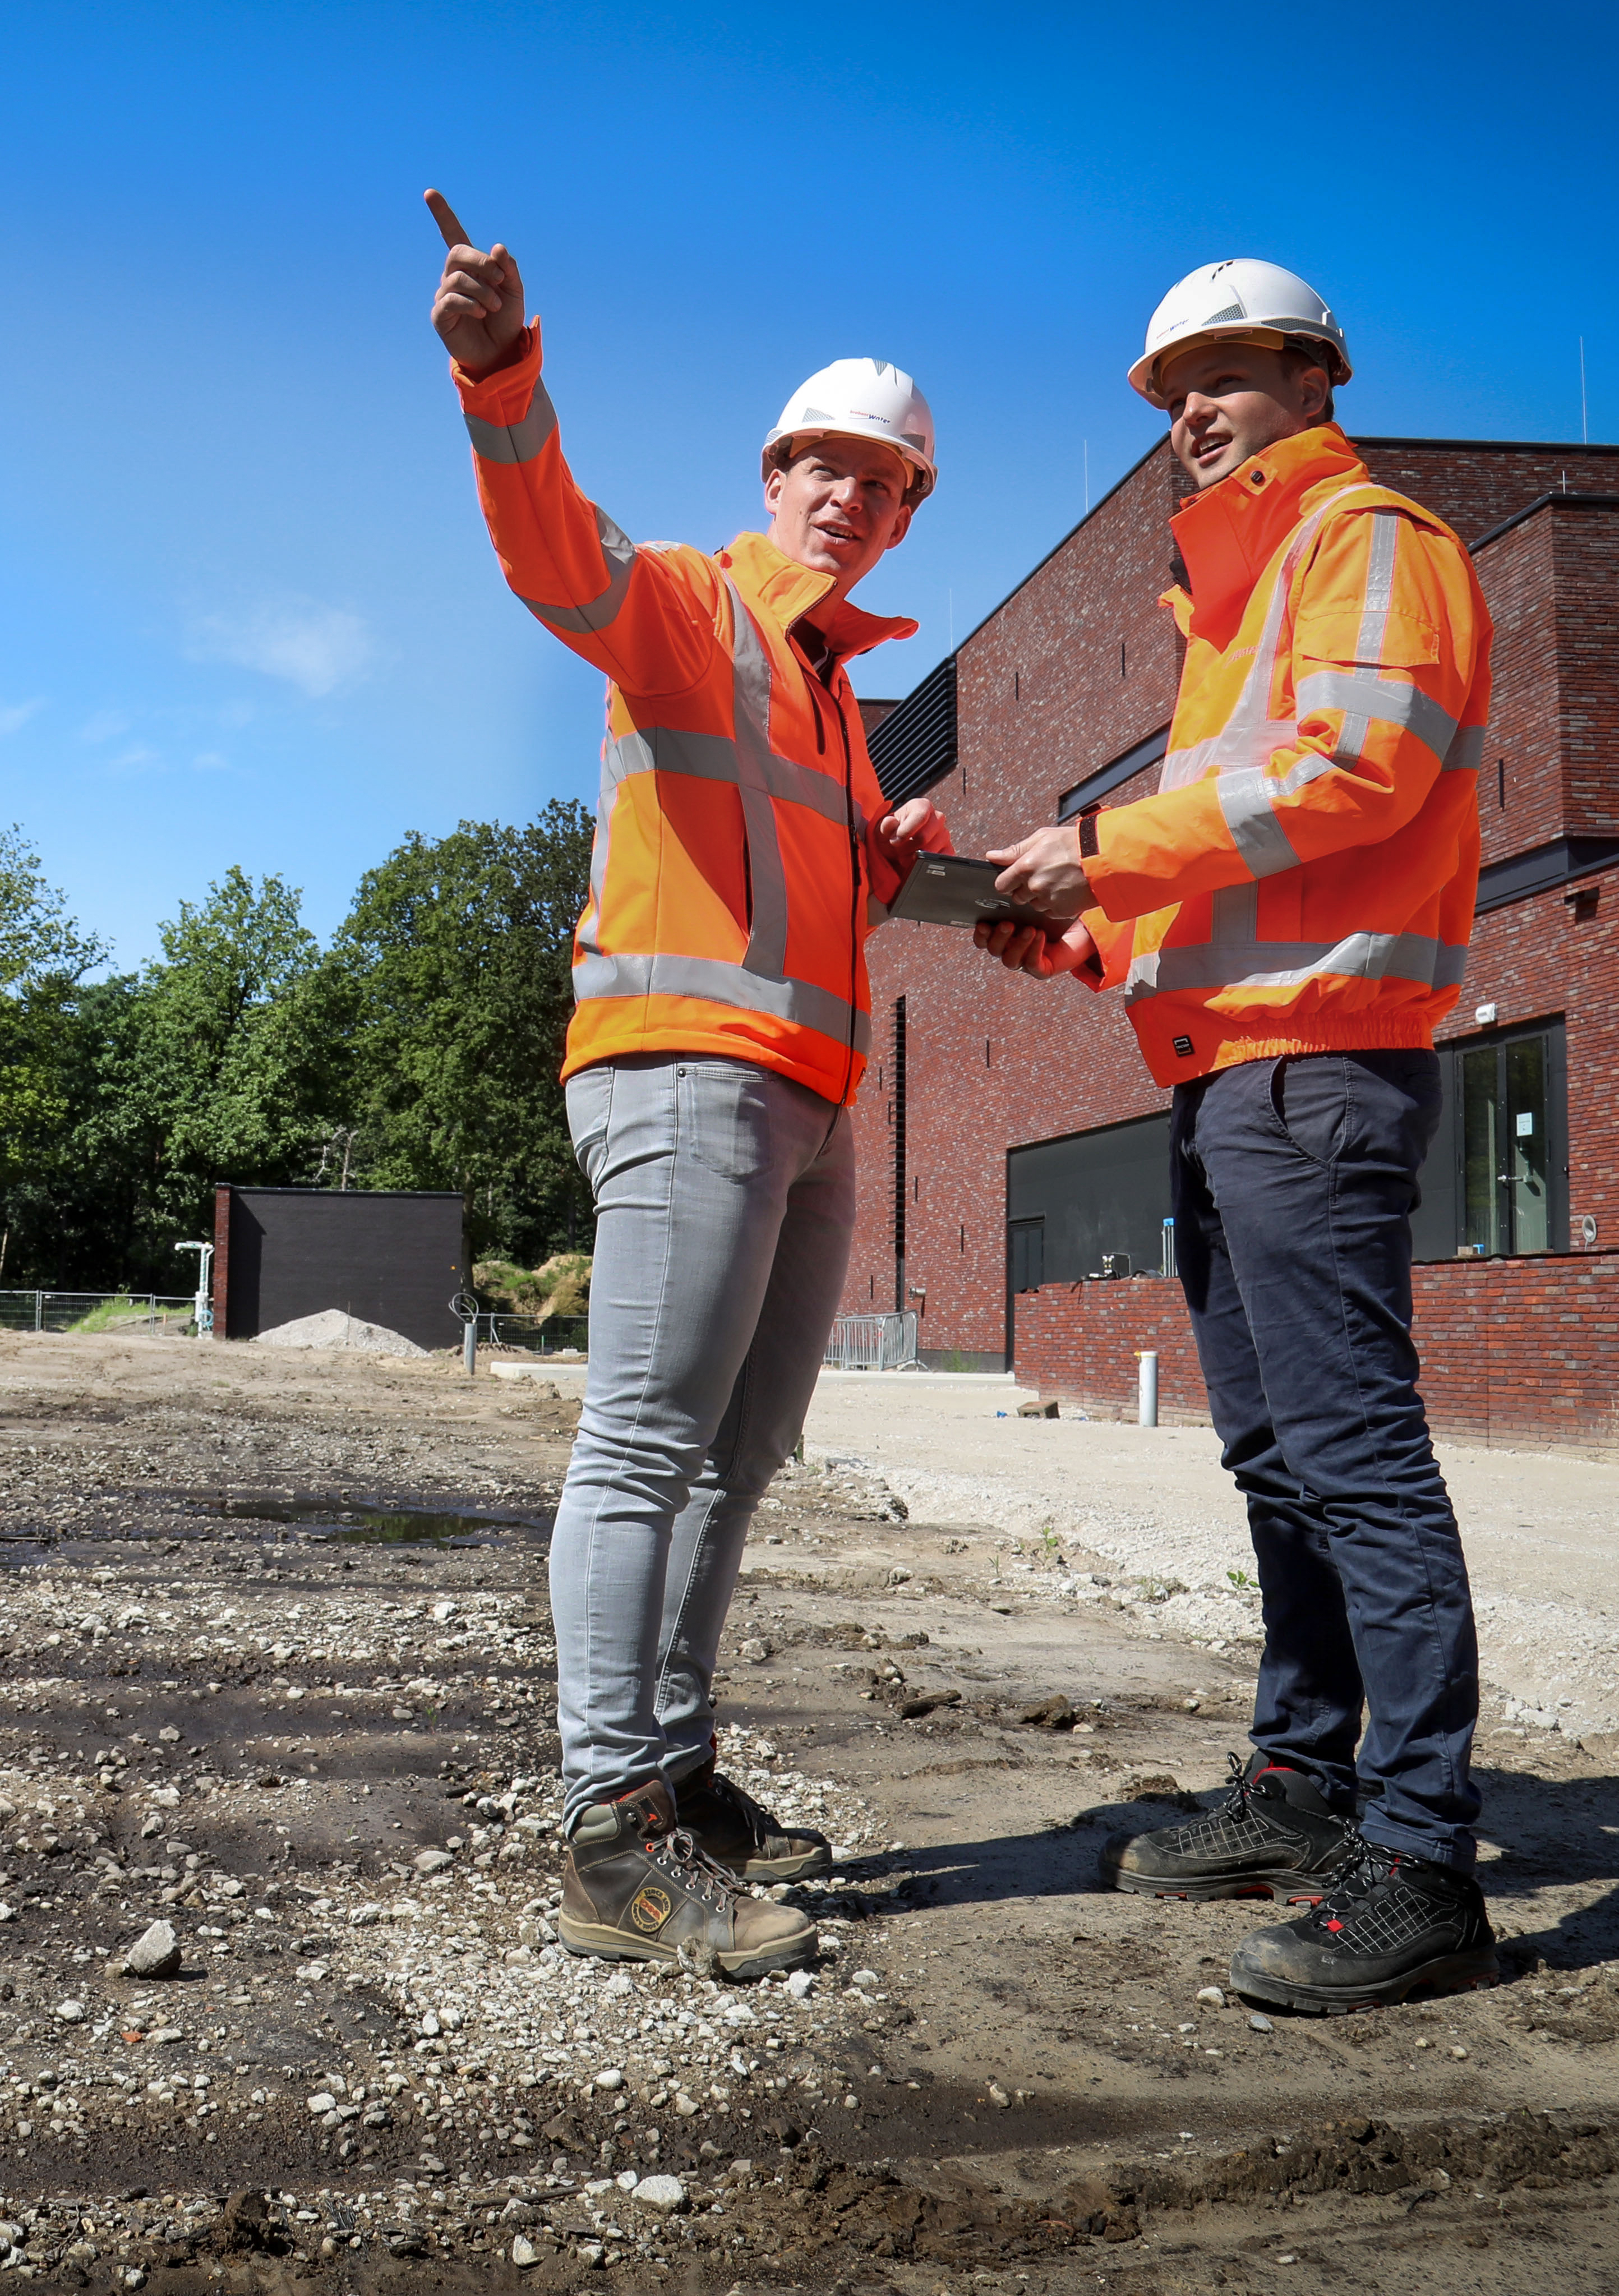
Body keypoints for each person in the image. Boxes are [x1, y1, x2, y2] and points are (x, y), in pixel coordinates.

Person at [426, 190, 946, 1981]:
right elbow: (553, 554)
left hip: (806, 1103)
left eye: (885, 485)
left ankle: (679, 1768)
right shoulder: (694, 608)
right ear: (777, 468)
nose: (851, 502)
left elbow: (826, 873)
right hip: (683, 1077)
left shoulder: (835, 695)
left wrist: (914, 863)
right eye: (828, 468)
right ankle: (609, 1825)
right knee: (646, 1447)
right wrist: (505, 375)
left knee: (741, 1457)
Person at [977, 259, 1503, 2012]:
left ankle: (1424, 1859)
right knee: (1279, 1461)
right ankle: (1302, 1784)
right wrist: (1087, 926)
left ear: (1314, 374)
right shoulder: (1238, 595)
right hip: (1232, 1071)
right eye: (1168, 389)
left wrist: (1111, 849)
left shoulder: (1371, 539)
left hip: (1320, 1066)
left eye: (1221, 377)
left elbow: (1361, 769)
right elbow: (1244, 853)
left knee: (1355, 1460)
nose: (1188, 411)